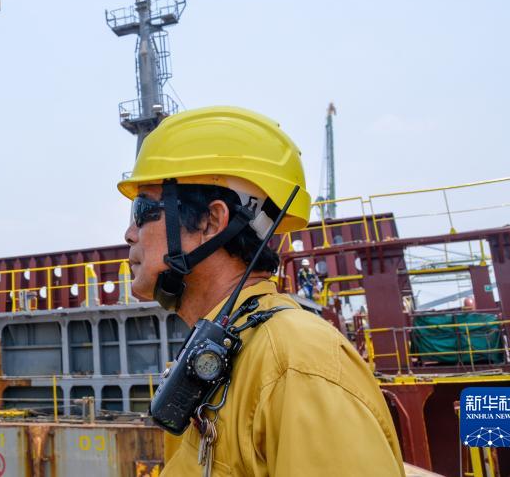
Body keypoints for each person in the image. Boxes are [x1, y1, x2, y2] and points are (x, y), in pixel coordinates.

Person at [119, 106, 404, 476]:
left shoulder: (298, 364)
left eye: (143, 211)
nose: (129, 234)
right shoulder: (235, 350)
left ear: (212, 221)